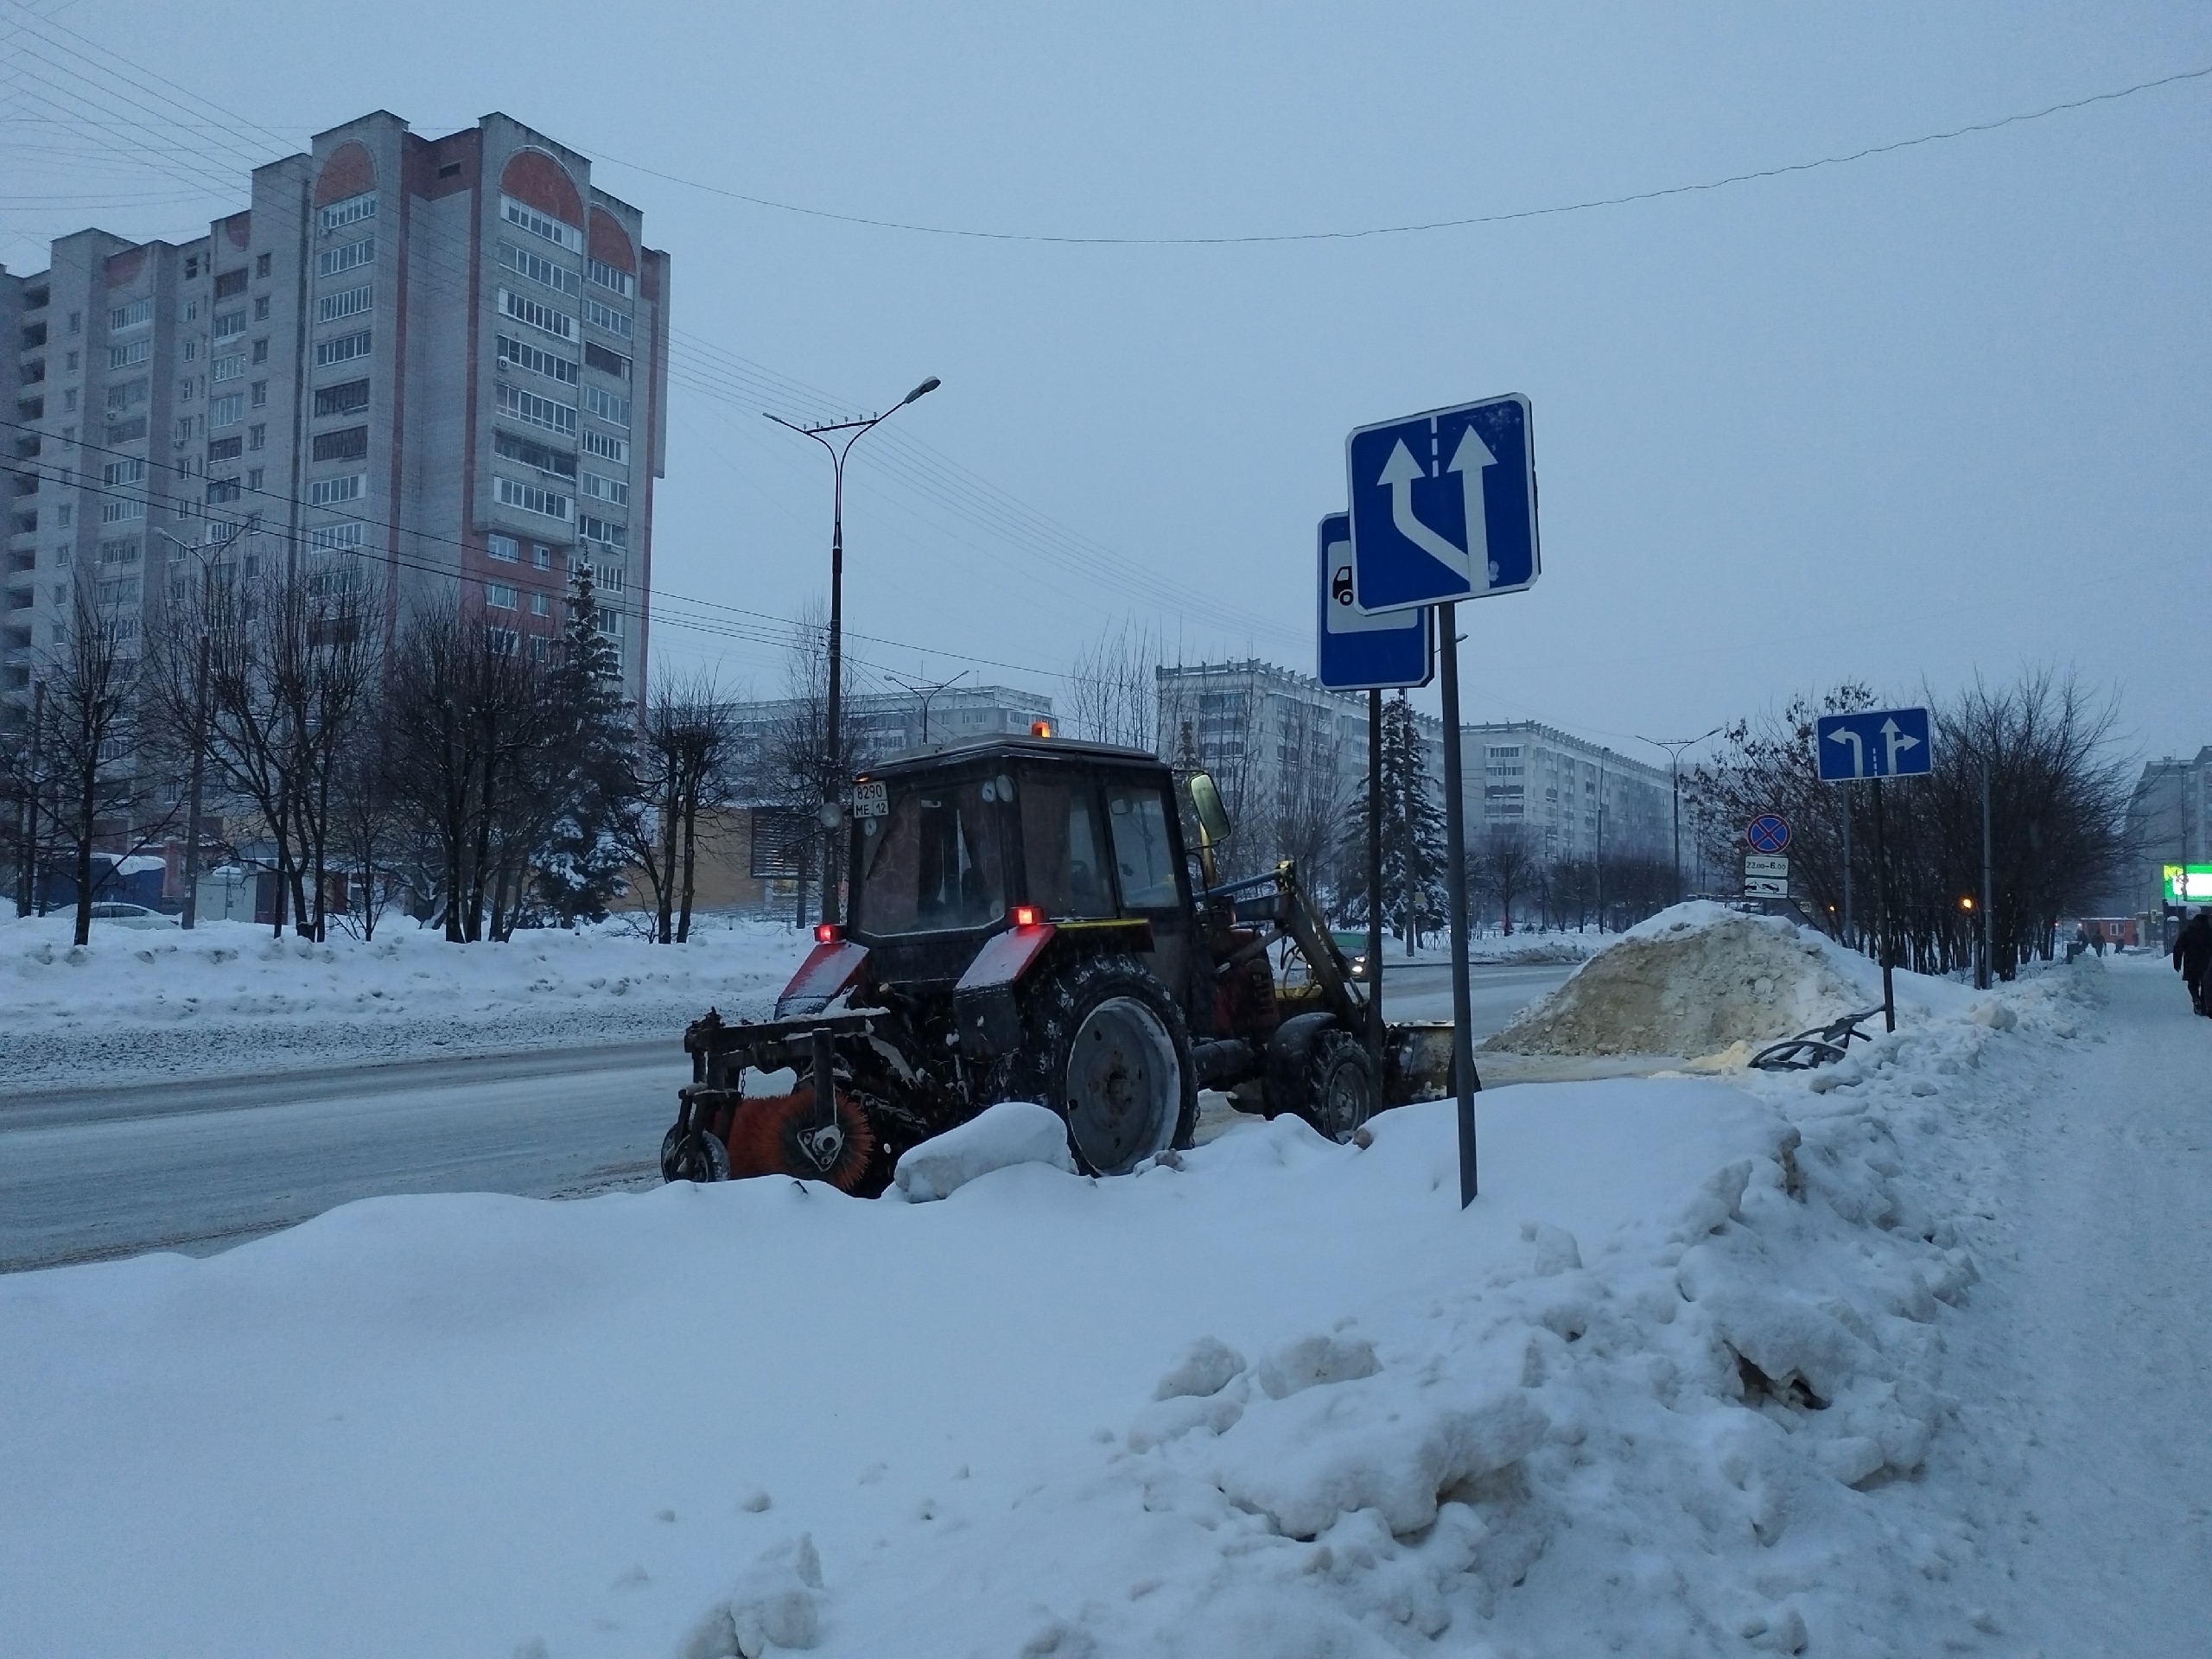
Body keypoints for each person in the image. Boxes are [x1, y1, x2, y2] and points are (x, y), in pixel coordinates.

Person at [2174, 908, 2212, 1016]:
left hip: (2191, 962)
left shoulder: (2187, 932)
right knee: (2206, 985)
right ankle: (2204, 1006)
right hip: (2207, 963)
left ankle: (2196, 999)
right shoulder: (2210, 933)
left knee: (2192, 983)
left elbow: (2178, 947)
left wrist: (2177, 962)